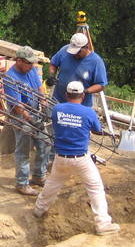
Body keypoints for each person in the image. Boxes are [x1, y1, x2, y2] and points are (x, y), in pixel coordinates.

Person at [32, 81, 120, 235]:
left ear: (67, 94)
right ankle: (103, 224)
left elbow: (56, 123)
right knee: (95, 187)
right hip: (81, 158)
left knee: (52, 183)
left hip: (60, 157)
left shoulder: (57, 109)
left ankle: (39, 209)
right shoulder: (88, 112)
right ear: (83, 95)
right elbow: (97, 130)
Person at [3, 46, 49, 196]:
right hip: (20, 116)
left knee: (45, 143)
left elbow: (40, 87)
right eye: (29, 63)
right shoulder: (10, 78)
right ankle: (22, 184)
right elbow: (17, 106)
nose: (31, 66)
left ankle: (38, 176)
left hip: (35, 112)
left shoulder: (31, 70)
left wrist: (43, 103)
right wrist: (31, 120)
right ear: (19, 61)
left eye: (32, 63)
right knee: (24, 149)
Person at [47, 32, 108, 106]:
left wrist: (84, 91)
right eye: (73, 51)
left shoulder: (96, 62)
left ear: (86, 47)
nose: (75, 54)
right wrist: (51, 75)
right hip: (58, 101)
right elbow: (53, 63)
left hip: (81, 106)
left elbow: (100, 85)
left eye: (78, 52)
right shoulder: (64, 51)